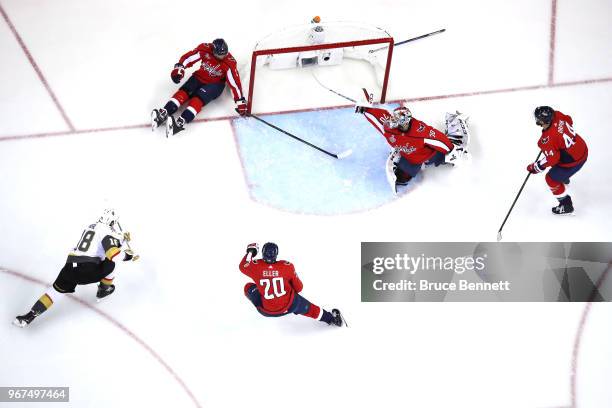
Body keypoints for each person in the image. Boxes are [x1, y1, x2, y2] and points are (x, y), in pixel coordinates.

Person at [13, 209, 137, 328]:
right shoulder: (107, 231)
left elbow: (100, 244)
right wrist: (128, 256)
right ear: (111, 222)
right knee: (112, 263)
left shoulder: (91, 226)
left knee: (54, 292)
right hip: (87, 270)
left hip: (69, 267)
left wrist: (121, 239)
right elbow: (112, 253)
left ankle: (28, 317)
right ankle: (104, 289)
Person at [355, 103, 467, 193]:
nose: (392, 121)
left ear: (404, 123)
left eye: (396, 120)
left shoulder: (421, 131)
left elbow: (439, 140)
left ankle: (455, 137)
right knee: (402, 179)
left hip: (428, 155)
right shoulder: (389, 127)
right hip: (410, 158)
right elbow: (378, 117)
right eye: (393, 118)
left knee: (445, 156)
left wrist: (451, 150)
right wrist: (365, 109)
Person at [151, 38, 248, 137]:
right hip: (199, 77)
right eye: (219, 55)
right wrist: (179, 68)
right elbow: (189, 57)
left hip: (215, 84)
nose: (222, 57)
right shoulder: (205, 49)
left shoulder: (229, 63)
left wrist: (240, 101)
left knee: (198, 99)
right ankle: (165, 111)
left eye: (224, 54)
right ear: (213, 50)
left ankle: (181, 121)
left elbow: (235, 83)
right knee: (184, 92)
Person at [239, 243, 345, 326]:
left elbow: (242, 266)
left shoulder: (255, 267)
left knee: (248, 287)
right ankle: (331, 319)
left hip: (266, 311)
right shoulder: (287, 266)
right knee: (310, 309)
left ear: (262, 253)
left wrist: (251, 252)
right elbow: (299, 288)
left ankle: (264, 298)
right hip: (290, 306)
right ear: (276, 254)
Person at [526, 106, 588, 215]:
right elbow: (569, 120)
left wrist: (536, 166)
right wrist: (558, 137)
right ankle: (564, 178)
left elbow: (553, 159)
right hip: (582, 148)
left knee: (550, 179)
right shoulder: (557, 115)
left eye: (538, 119)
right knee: (561, 158)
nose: (537, 121)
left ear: (544, 121)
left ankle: (566, 205)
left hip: (574, 162)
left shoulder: (546, 140)